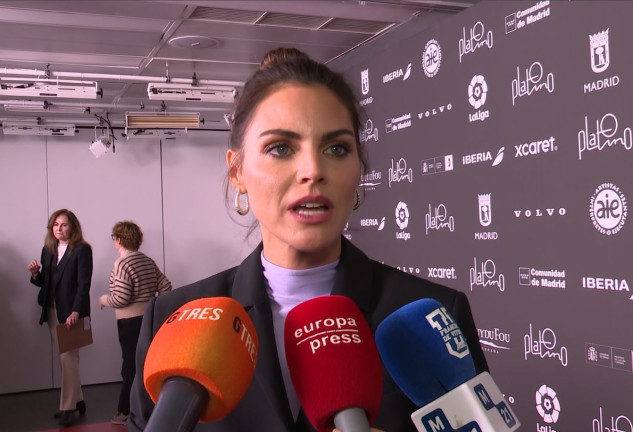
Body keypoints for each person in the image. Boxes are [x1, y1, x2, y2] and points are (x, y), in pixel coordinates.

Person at [128, 47, 488, 432]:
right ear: (237, 172)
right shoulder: (170, 319)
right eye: (280, 148)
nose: (313, 170)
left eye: (336, 148)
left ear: (358, 170)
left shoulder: (430, 316)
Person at [98, 220, 172, 425]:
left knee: (129, 366)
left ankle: (124, 412)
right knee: (146, 364)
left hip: (129, 323)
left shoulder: (121, 264)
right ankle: (151, 408)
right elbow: (165, 286)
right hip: (148, 319)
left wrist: (104, 300)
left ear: (118, 240)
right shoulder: (147, 261)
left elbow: (121, 298)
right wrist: (152, 305)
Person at [27, 208, 93, 428]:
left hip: (71, 311)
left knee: (68, 357)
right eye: (55, 225)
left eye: (63, 224)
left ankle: (68, 407)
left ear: (72, 226)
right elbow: (47, 281)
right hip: (52, 309)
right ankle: (79, 400)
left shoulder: (82, 250)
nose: (59, 229)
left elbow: (84, 284)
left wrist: (76, 311)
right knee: (67, 358)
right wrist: (36, 274)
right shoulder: (48, 250)